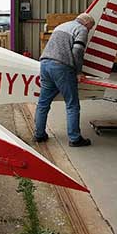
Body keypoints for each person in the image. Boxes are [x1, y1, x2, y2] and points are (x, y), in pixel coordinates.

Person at [35, 13, 95, 147]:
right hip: (61, 67)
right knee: (72, 104)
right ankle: (75, 138)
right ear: (86, 23)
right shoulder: (81, 29)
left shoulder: (61, 26)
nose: (89, 31)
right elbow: (78, 51)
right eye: (90, 27)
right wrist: (78, 72)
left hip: (45, 64)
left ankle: (39, 135)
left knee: (43, 103)